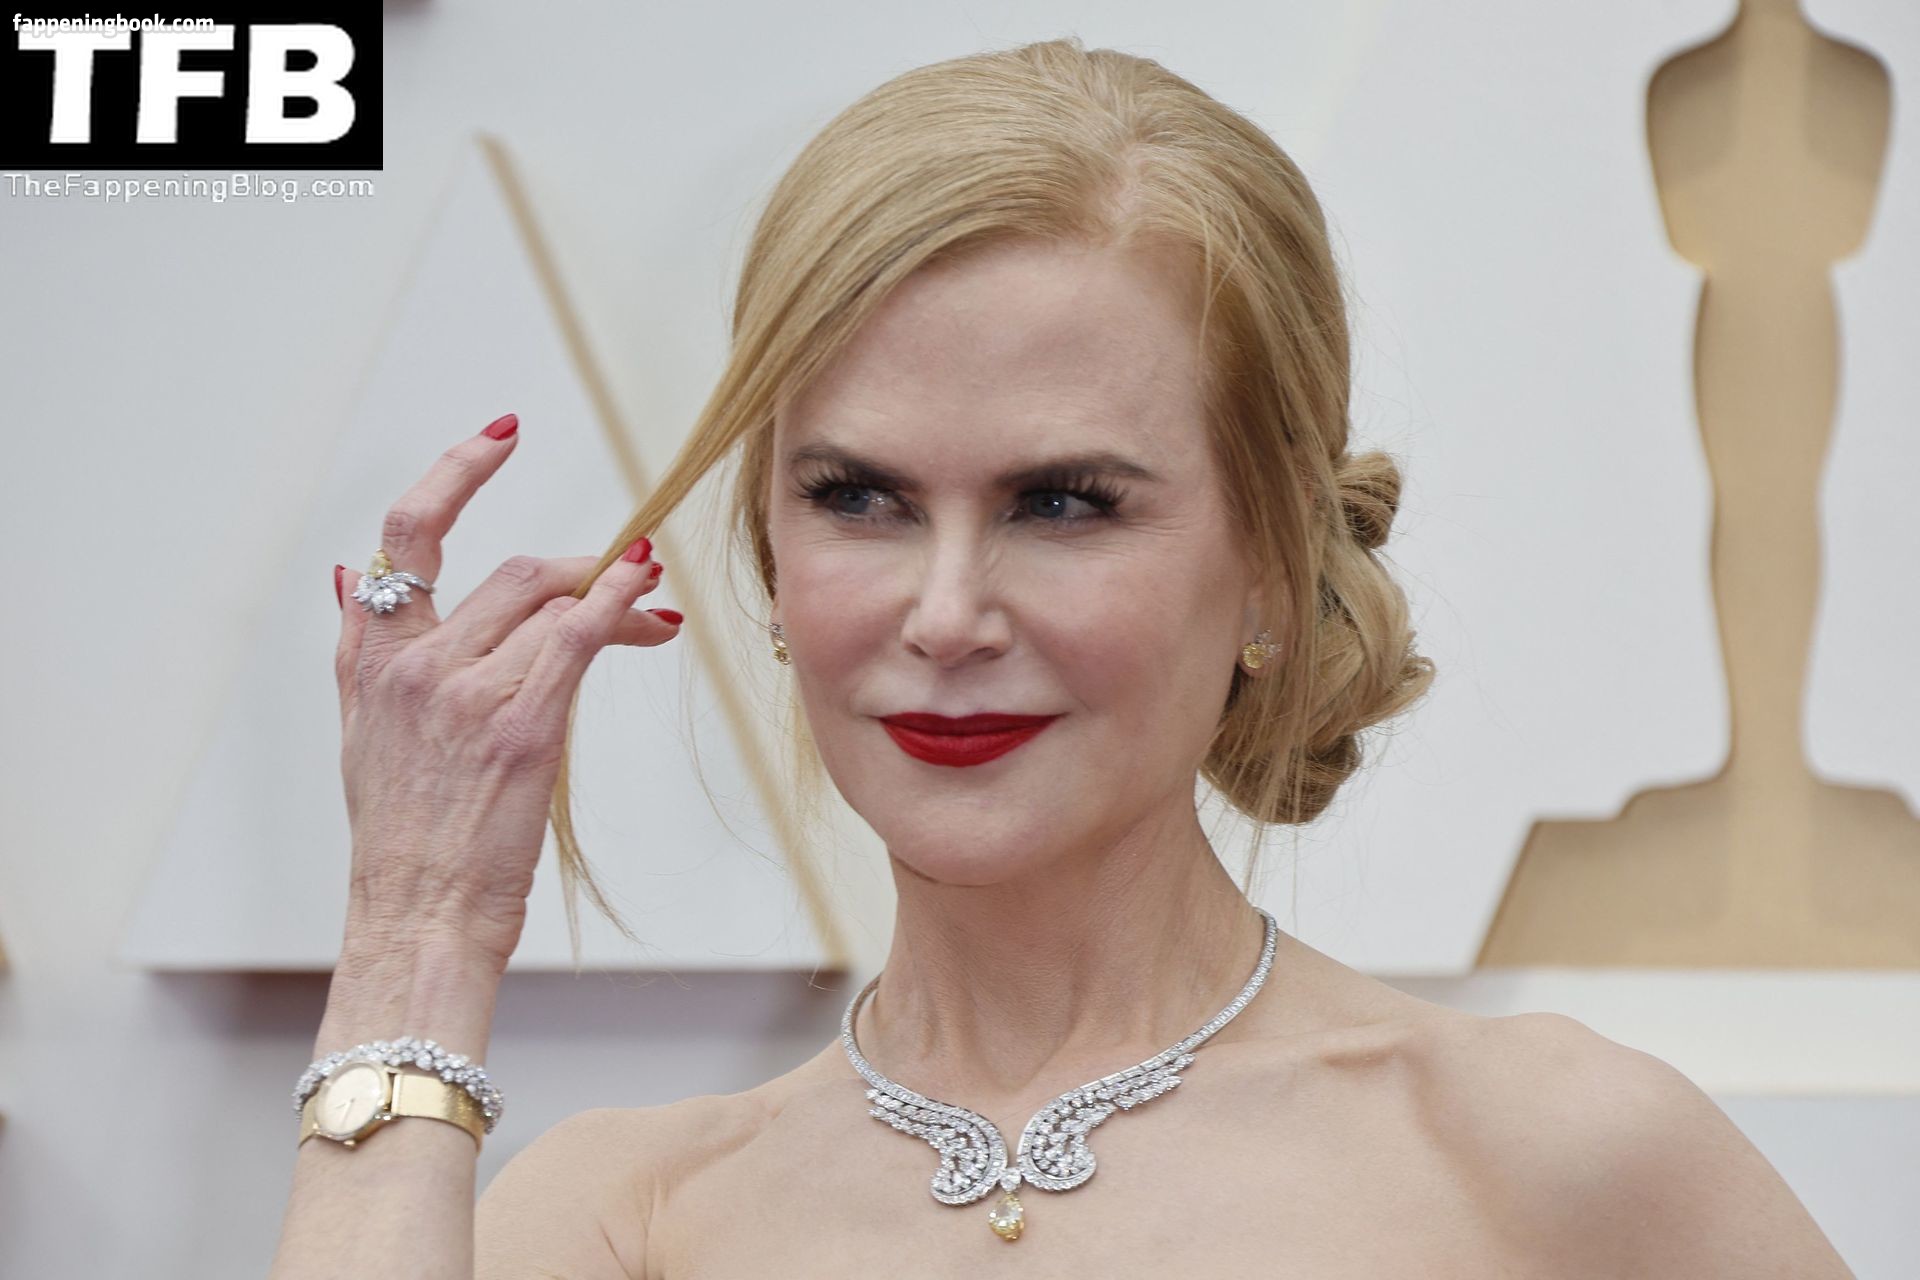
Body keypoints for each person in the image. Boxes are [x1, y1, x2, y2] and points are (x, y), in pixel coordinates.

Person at [269, 36, 1854, 1279]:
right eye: (859, 498)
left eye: (1063, 503)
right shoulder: (628, 1220)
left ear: (1271, 564)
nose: (946, 615)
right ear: (768, 552)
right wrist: (415, 937)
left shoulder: (1552, 1157)